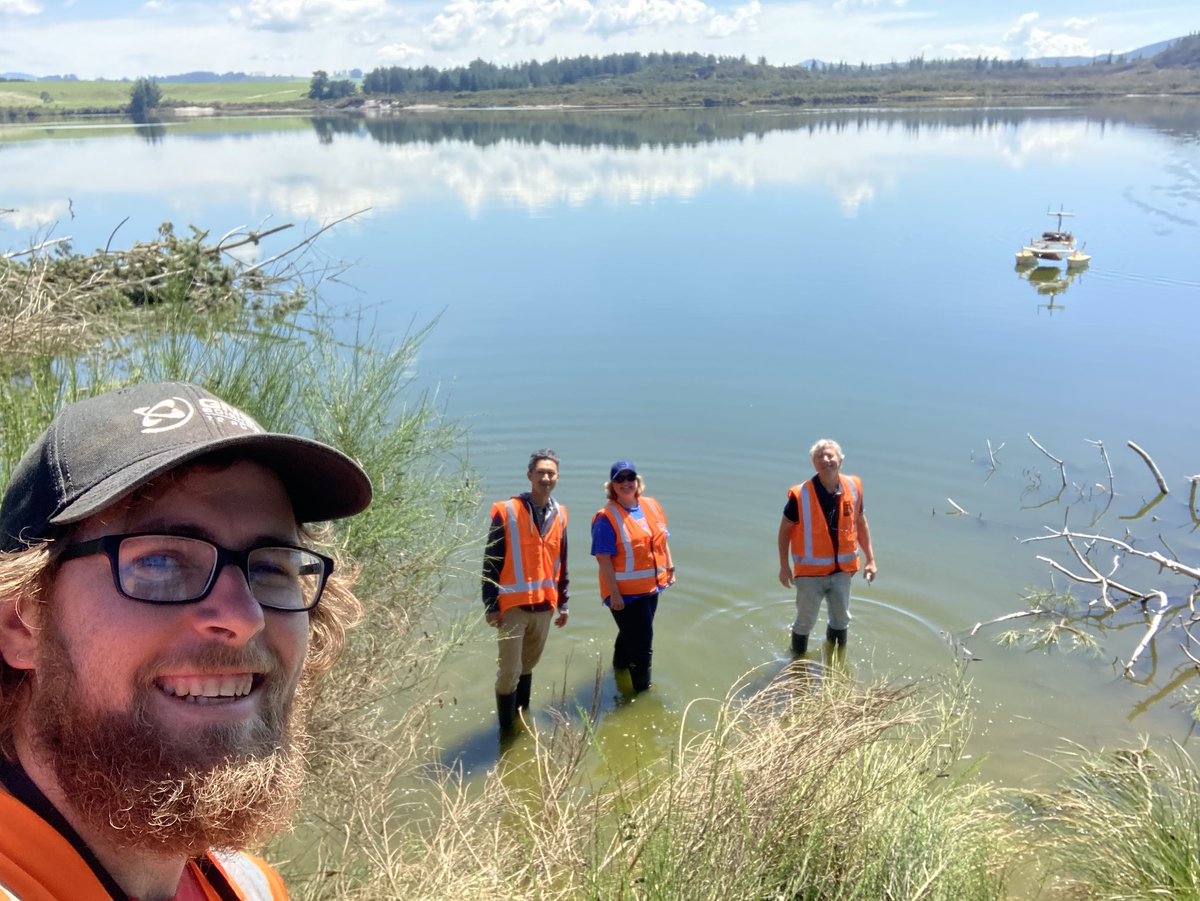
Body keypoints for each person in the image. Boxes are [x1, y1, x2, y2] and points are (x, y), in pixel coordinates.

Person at [0, 381, 372, 901]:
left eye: (271, 567)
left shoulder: (249, 886)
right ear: (22, 623)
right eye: (158, 562)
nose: (244, 618)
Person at [481, 450, 569, 735]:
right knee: (508, 673)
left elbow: (562, 560)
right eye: (541, 472)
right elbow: (491, 561)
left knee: (528, 666)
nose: (546, 478)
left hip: (544, 607)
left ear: (557, 477)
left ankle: (522, 718)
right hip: (513, 608)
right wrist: (490, 605)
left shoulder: (560, 513)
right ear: (529, 475)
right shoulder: (508, 511)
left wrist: (563, 602)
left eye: (551, 473)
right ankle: (506, 733)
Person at [777, 438, 876, 657]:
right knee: (804, 623)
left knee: (841, 620)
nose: (825, 460)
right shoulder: (800, 495)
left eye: (830, 455)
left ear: (840, 460)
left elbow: (860, 522)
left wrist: (870, 559)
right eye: (819, 457)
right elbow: (784, 531)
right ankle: (796, 668)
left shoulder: (854, 487)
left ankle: (836, 668)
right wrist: (784, 567)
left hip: (842, 571)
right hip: (809, 575)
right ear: (814, 464)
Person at [591, 461, 674, 693]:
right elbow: (603, 559)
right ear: (612, 486)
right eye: (620, 479)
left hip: (651, 588)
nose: (626, 483)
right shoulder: (606, 518)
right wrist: (614, 594)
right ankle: (641, 694)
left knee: (631, 635)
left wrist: (670, 568)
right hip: (625, 596)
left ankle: (618, 669)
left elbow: (662, 539)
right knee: (643, 646)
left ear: (638, 482)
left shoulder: (651, 505)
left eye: (630, 478)